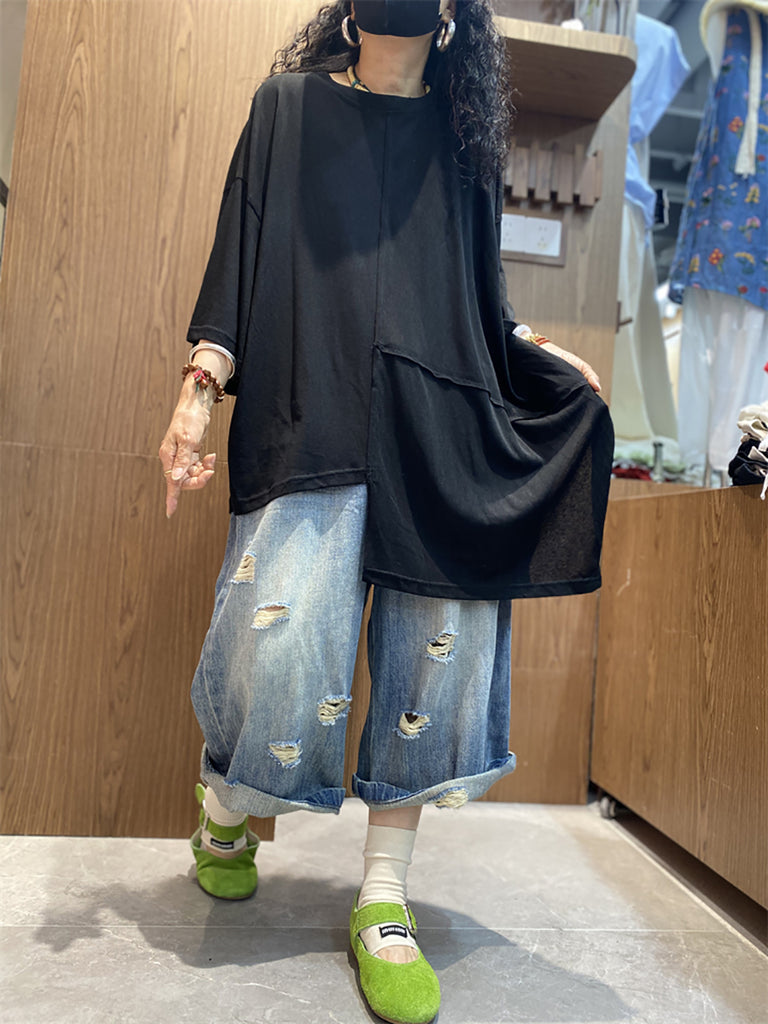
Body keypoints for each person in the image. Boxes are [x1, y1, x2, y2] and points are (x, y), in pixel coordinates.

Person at [158, 3, 612, 1022]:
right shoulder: (286, 109)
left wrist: (538, 352)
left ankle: (383, 900)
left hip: (435, 427)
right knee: (280, 652)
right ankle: (225, 805)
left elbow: (479, 300)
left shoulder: (464, 145)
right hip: (308, 408)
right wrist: (198, 391)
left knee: (433, 663)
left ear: (452, 14)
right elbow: (239, 260)